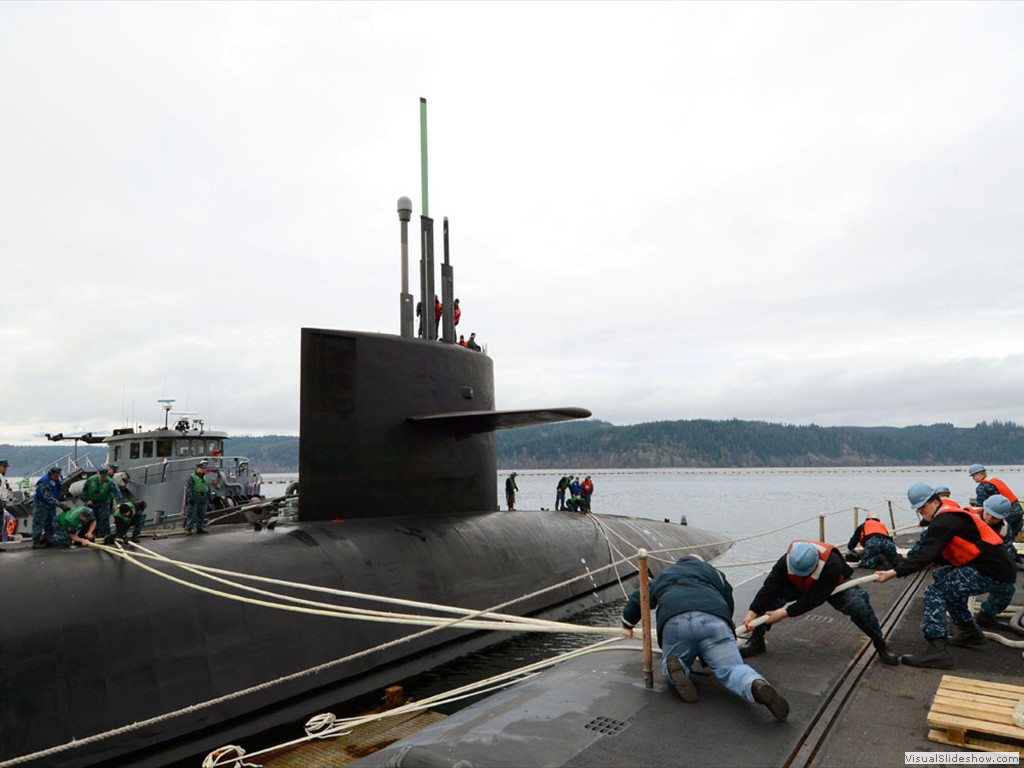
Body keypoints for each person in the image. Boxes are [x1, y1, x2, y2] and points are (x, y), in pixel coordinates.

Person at [621, 555, 789, 721]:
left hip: (675, 622)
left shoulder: (666, 574)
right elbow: (727, 597)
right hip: (713, 620)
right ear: (701, 562)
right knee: (732, 668)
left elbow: (640, 597)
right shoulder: (713, 573)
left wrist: (627, 623)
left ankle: (678, 666)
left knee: (674, 658)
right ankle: (754, 684)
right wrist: (726, 625)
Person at [876, 482, 1016, 669]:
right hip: (1001, 573)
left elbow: (925, 553)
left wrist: (893, 573)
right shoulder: (951, 517)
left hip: (988, 571)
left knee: (935, 592)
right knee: (948, 585)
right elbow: (948, 551)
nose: (921, 512)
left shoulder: (944, 520)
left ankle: (937, 651)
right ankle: (968, 632)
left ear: (935, 502)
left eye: (923, 507)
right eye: (918, 509)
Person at [740, 540, 899, 665]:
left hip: (833, 585)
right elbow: (770, 586)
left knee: (859, 606)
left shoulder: (832, 565)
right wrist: (752, 613)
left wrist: (783, 613)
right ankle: (756, 641)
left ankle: (880, 644)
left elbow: (815, 598)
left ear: (816, 564)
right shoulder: (786, 561)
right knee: (768, 600)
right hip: (796, 583)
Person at [968, 464, 1023, 560]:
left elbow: (981, 506)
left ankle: (1008, 561)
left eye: (973, 475)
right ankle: (1015, 559)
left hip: (1007, 512)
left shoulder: (982, 486)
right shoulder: (994, 480)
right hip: (1018, 510)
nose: (973, 478)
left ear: (979, 474)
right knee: (1009, 537)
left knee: (1001, 536)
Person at [82, 465, 122, 540]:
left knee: (104, 519)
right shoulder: (91, 480)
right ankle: (92, 534)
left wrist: (119, 503)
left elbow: (117, 492)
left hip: (103, 502)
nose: (103, 478)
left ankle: (105, 535)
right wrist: (87, 500)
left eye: (105, 476)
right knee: (91, 518)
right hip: (92, 502)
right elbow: (84, 490)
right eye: (102, 476)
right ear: (98, 474)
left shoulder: (110, 482)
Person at [32, 466, 62, 549]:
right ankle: (36, 541)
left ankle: (49, 539)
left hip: (51, 504)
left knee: (51, 522)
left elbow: (59, 489)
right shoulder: (44, 482)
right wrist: (61, 505)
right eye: (55, 476)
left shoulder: (57, 479)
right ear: (51, 474)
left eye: (58, 476)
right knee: (39, 522)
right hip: (41, 504)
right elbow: (47, 497)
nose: (57, 478)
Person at [185, 461, 211, 534]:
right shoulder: (192, 477)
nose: (203, 470)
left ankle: (200, 528)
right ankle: (188, 528)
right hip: (195, 496)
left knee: (201, 513)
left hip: (203, 497)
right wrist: (190, 497)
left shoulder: (205, 477)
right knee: (191, 514)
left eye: (204, 469)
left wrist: (209, 496)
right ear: (197, 468)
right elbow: (189, 488)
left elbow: (208, 487)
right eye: (202, 468)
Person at [0, 459, 14, 544]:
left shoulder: (3, 477)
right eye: (4, 467)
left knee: (2, 524)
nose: (5, 469)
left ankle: (1, 541)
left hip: (2, 503)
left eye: (6, 467)